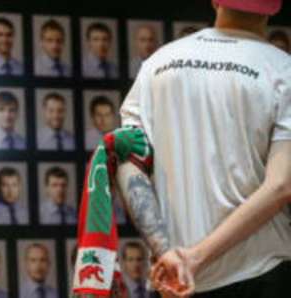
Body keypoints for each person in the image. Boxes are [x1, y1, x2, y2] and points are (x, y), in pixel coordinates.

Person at [119, 0, 291, 297]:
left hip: (173, 278)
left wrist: (167, 251)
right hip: (259, 273)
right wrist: (194, 258)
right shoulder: (283, 70)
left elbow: (128, 161)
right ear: (274, 7)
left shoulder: (158, 64)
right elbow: (280, 186)